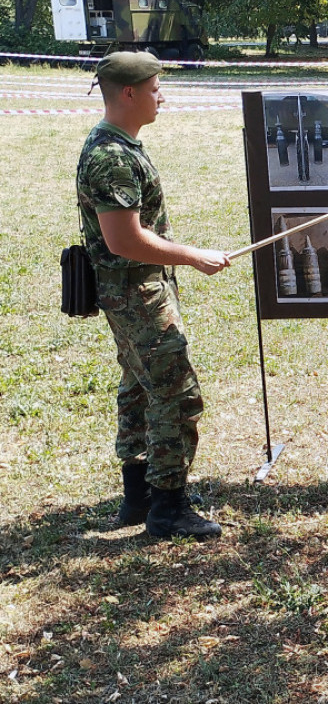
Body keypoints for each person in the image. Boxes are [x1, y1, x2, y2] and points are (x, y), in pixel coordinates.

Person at [76, 51, 230, 540]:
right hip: (134, 292)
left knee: (140, 387)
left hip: (138, 289)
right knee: (174, 391)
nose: (161, 95)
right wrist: (192, 255)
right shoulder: (111, 156)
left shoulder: (118, 145)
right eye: (155, 87)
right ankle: (168, 506)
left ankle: (139, 496)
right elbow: (123, 240)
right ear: (129, 93)